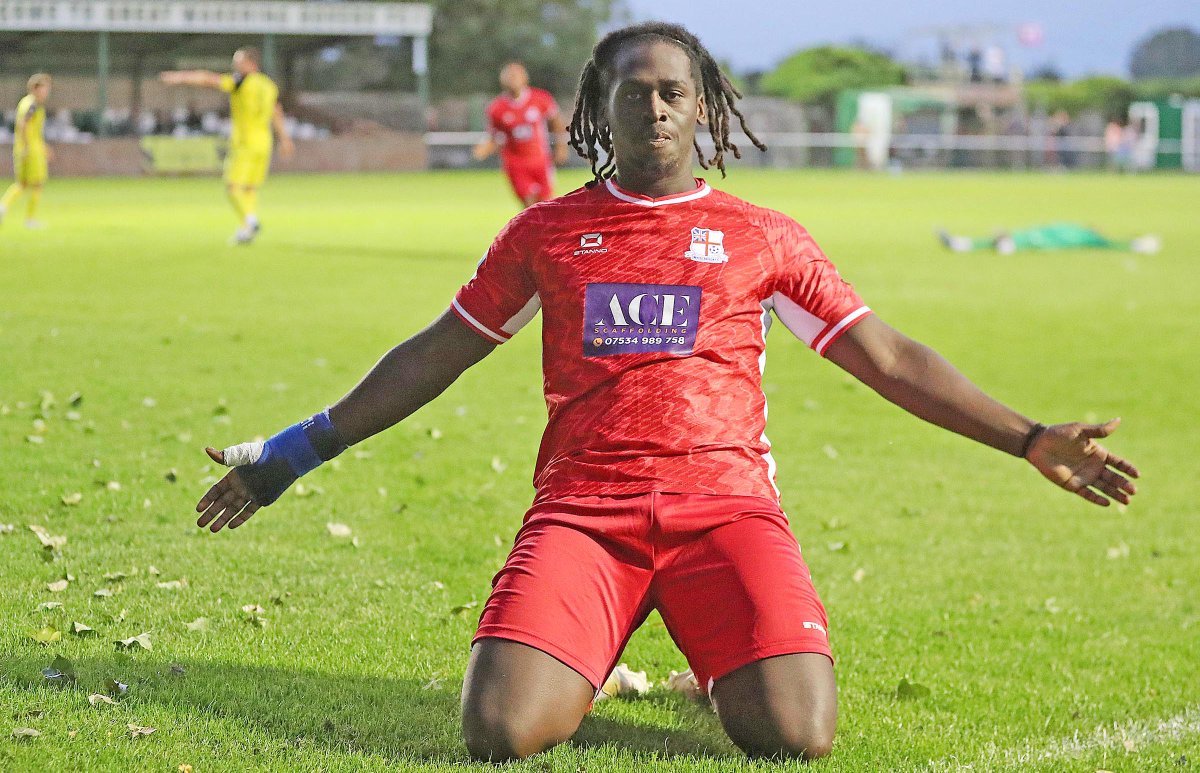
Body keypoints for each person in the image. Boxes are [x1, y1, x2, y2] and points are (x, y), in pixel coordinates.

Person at [194, 22, 1140, 762]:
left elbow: (887, 357)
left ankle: (705, 640)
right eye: (634, 91)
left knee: (796, 733)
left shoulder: (765, 237)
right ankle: (595, 636)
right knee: (500, 733)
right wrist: (294, 450)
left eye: (673, 91)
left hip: (726, 513)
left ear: (703, 108)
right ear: (602, 107)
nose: (654, 107)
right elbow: (435, 354)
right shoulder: (546, 234)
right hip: (583, 512)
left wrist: (1028, 438)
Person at [160, 47, 294, 244]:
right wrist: (284, 138)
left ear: (251, 63)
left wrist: (180, 77)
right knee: (249, 187)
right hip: (264, 141)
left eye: (239, 62)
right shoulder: (268, 85)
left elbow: (209, 80)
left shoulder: (241, 82)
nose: (235, 66)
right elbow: (276, 110)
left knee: (232, 186)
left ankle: (251, 220)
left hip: (245, 142)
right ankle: (246, 229)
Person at [472, 62, 570, 207]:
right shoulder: (497, 108)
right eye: (509, 76)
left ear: (524, 78)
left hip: (540, 160)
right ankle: (536, 228)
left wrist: (562, 147)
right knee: (529, 205)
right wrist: (484, 149)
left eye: (516, 76)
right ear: (502, 80)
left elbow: (557, 123)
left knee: (547, 204)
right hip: (516, 163)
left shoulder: (541, 98)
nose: (513, 79)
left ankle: (544, 229)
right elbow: (495, 137)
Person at [1, 73, 53, 229]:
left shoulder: (25, 102)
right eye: (45, 88)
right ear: (35, 88)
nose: (47, 92)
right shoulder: (33, 105)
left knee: (22, 184)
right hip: (31, 150)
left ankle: (3, 206)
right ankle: (30, 220)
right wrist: (28, 147)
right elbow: (25, 125)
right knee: (37, 184)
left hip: (24, 148)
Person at [938, 224, 1161, 255]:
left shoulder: (1083, 236)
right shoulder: (1078, 232)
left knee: (1016, 240)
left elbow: (1107, 244)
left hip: (1029, 239)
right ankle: (960, 243)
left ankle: (960, 243)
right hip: (1031, 237)